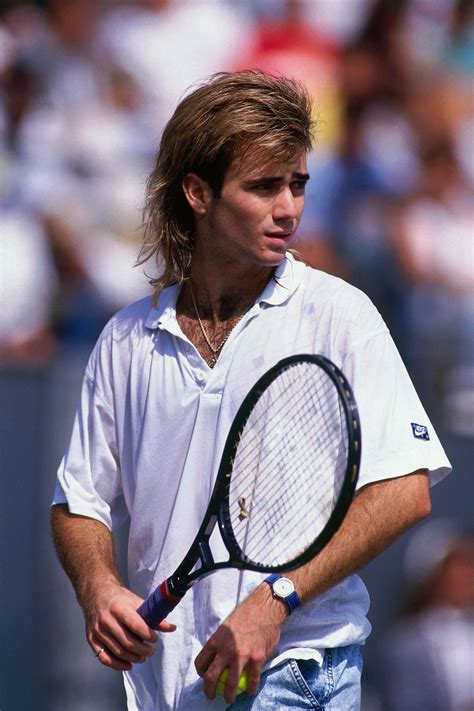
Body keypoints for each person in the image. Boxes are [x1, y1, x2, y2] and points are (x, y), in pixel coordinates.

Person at [51, 70, 451, 711]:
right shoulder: (124, 339)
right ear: (197, 193)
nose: (289, 208)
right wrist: (98, 587)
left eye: (298, 185)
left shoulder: (340, 314)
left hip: (297, 676)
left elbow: (406, 491)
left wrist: (277, 599)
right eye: (264, 186)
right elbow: (80, 502)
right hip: (165, 690)